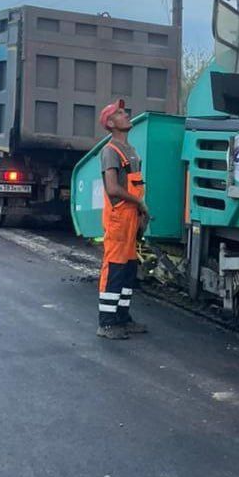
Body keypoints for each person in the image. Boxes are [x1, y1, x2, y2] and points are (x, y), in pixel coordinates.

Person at [96, 99, 150, 340]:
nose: (126, 114)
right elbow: (112, 188)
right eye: (119, 113)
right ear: (110, 123)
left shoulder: (130, 150)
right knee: (115, 269)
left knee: (128, 269)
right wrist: (139, 203)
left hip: (131, 218)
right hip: (119, 219)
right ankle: (107, 323)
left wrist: (140, 213)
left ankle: (122, 317)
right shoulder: (110, 151)